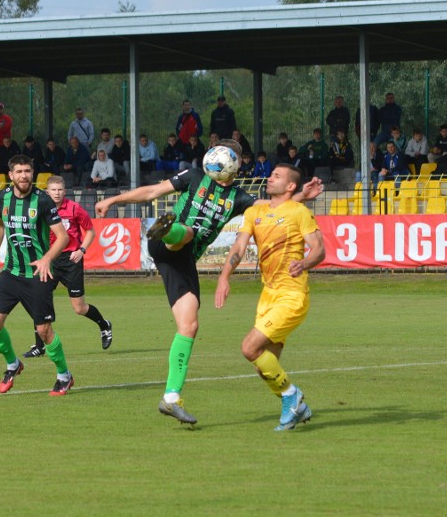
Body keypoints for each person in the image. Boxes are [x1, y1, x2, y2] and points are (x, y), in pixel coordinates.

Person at [94, 141, 322, 426]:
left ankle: (171, 397)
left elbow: (274, 206)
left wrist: (301, 195)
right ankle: (168, 229)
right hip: (168, 245)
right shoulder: (193, 177)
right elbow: (152, 191)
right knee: (189, 232)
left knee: (189, 326)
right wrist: (112, 200)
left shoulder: (239, 198)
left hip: (183, 262)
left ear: (234, 165)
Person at [215, 163, 325, 431]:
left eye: (277, 176)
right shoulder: (255, 212)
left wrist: (306, 263)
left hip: (292, 295)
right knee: (263, 365)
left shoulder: (299, 211)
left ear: (290, 186)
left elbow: (319, 250)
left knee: (249, 348)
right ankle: (297, 407)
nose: (271, 178)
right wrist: (224, 277)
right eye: (271, 174)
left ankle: (291, 396)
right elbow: (239, 246)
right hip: (268, 296)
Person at [0, 155, 74, 396]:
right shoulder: (1, 197)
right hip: (11, 272)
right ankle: (13, 364)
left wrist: (46, 258)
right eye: (19, 171)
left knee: (44, 331)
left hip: (38, 274)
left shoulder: (43, 201)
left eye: (28, 171)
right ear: (11, 175)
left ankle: (64, 375)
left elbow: (63, 237)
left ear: (32, 173)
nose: (24, 175)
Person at [23, 175, 113, 358]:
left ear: (65, 191)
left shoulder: (74, 208)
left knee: (79, 308)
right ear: (47, 191)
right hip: (49, 260)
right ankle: (39, 346)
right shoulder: (40, 208)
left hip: (71, 260)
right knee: (38, 300)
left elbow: (90, 231)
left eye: (59, 190)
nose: (56, 193)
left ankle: (104, 324)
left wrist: (82, 250)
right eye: (53, 190)